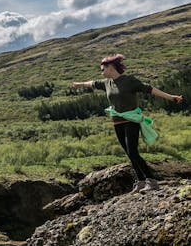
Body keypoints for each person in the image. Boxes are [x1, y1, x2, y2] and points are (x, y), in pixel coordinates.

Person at [72, 54, 183, 193]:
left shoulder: (129, 81)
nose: (102, 72)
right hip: (117, 122)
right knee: (129, 153)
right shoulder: (106, 83)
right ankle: (141, 182)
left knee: (133, 151)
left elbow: (149, 89)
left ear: (110, 67)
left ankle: (152, 181)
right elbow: (91, 83)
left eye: (103, 69)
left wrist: (171, 97)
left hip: (131, 120)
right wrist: (79, 84)